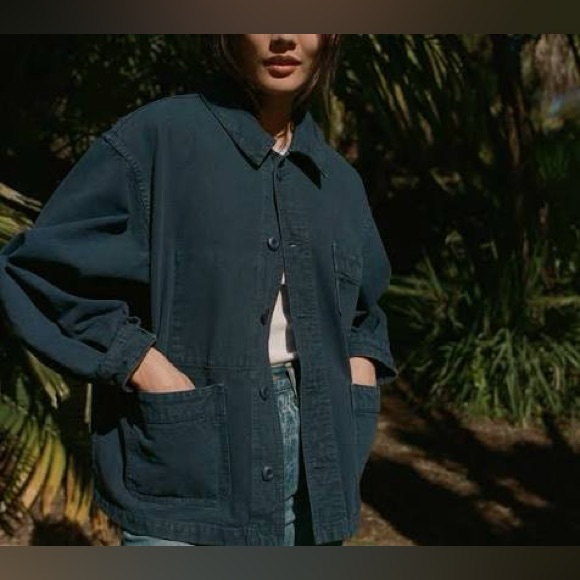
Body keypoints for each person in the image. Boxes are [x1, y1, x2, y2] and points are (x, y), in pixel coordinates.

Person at [0, 34, 396, 546]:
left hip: (317, 472)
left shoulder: (338, 181)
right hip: (186, 471)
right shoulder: (158, 139)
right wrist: (143, 364)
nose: (284, 35)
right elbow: (39, 271)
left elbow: (364, 313)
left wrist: (360, 373)